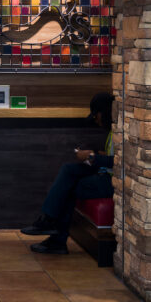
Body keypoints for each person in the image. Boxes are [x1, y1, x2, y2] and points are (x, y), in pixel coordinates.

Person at [20, 92, 115, 255]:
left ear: (102, 113)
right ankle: (49, 223)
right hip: (106, 173)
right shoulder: (115, 131)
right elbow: (115, 157)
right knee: (68, 170)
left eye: (96, 116)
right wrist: (95, 154)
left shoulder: (124, 131)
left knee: (70, 188)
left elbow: (121, 163)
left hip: (114, 182)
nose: (96, 121)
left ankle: (52, 228)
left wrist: (92, 157)